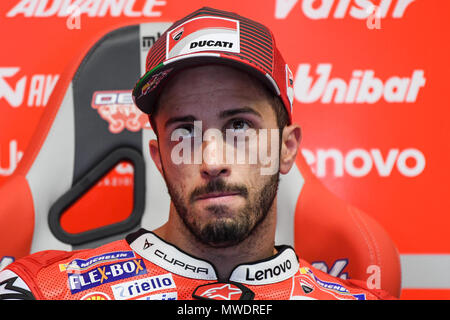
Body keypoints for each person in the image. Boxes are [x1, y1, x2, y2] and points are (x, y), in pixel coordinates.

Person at [0, 7, 394, 300]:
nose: (211, 161)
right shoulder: (42, 288)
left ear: (286, 149)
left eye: (239, 126)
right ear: (160, 159)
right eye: (184, 130)